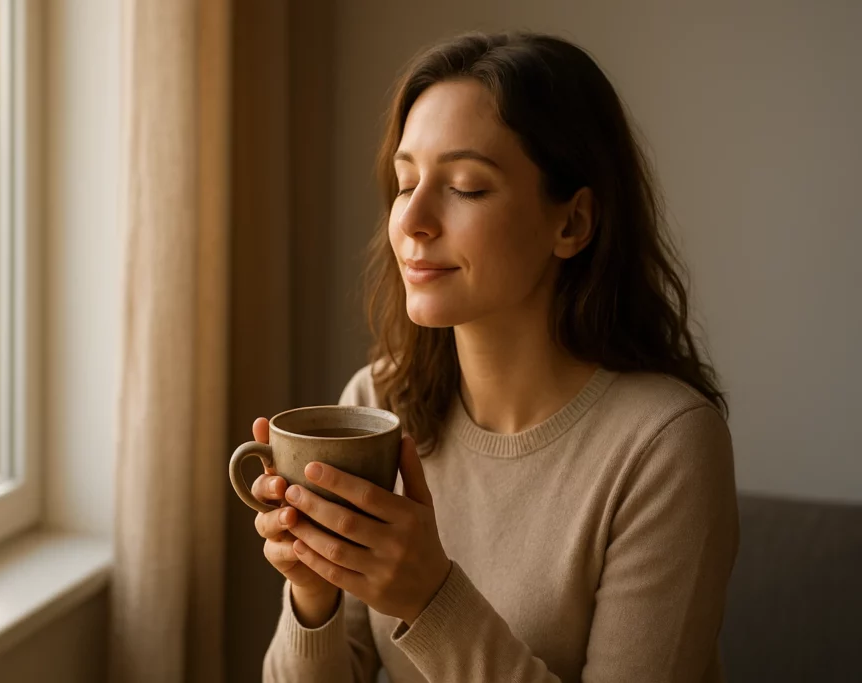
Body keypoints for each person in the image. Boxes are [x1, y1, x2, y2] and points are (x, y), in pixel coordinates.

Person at [252, 31, 738, 683]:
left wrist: (430, 600)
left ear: (572, 223)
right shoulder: (375, 406)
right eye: (405, 182)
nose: (413, 220)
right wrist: (313, 596)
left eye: (467, 187)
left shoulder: (664, 447)